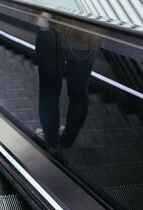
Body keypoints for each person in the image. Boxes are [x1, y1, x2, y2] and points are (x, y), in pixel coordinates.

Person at [34, 25, 98, 154]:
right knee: (79, 92)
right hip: (86, 37)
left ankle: (51, 139)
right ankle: (68, 139)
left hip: (51, 33)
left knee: (49, 90)